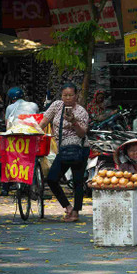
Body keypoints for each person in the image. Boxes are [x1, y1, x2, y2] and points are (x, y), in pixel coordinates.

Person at [39, 83, 89, 222]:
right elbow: (44, 121)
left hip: (80, 148)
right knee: (52, 178)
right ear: (61, 96)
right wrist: (35, 131)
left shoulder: (81, 112)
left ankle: (76, 213)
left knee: (78, 181)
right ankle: (67, 207)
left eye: (70, 95)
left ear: (76, 96)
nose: (67, 98)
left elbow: (82, 133)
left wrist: (74, 121)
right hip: (63, 149)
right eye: (65, 95)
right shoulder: (56, 106)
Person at [0, 87, 40, 196]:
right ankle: (34, 186)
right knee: (32, 159)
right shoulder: (34, 105)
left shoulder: (9, 108)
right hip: (31, 136)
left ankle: (5, 189)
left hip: (15, 138)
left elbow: (8, 125)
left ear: (12, 98)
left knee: (8, 159)